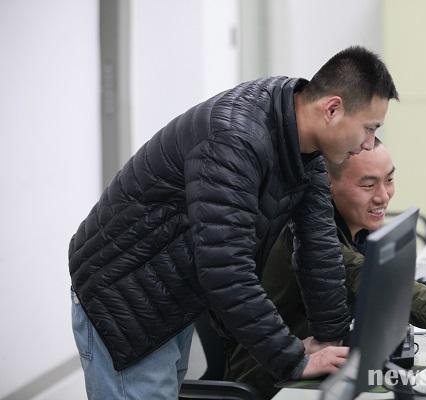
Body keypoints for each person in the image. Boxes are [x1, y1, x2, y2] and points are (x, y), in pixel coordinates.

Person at [68, 46, 398, 399]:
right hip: (126, 296)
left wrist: (331, 341)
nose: (368, 144)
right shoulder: (234, 140)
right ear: (332, 109)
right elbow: (226, 268)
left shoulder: (303, 143)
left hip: (170, 288)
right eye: (369, 129)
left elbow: (318, 248)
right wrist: (292, 359)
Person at [223, 139, 426, 399]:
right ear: (327, 185)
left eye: (389, 179)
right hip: (268, 378)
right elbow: (382, 286)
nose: (383, 196)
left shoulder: (356, 230)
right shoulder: (310, 238)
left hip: (316, 363)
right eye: (368, 185)